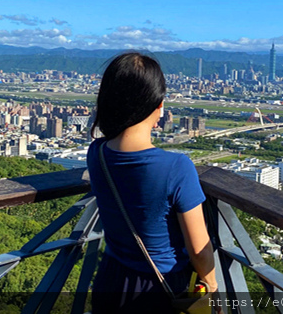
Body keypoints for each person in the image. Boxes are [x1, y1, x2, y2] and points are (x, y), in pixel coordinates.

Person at [87, 52, 217, 313]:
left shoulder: (97, 152)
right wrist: (211, 285)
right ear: (158, 105)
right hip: (160, 289)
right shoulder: (176, 167)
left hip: (110, 279)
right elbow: (199, 248)